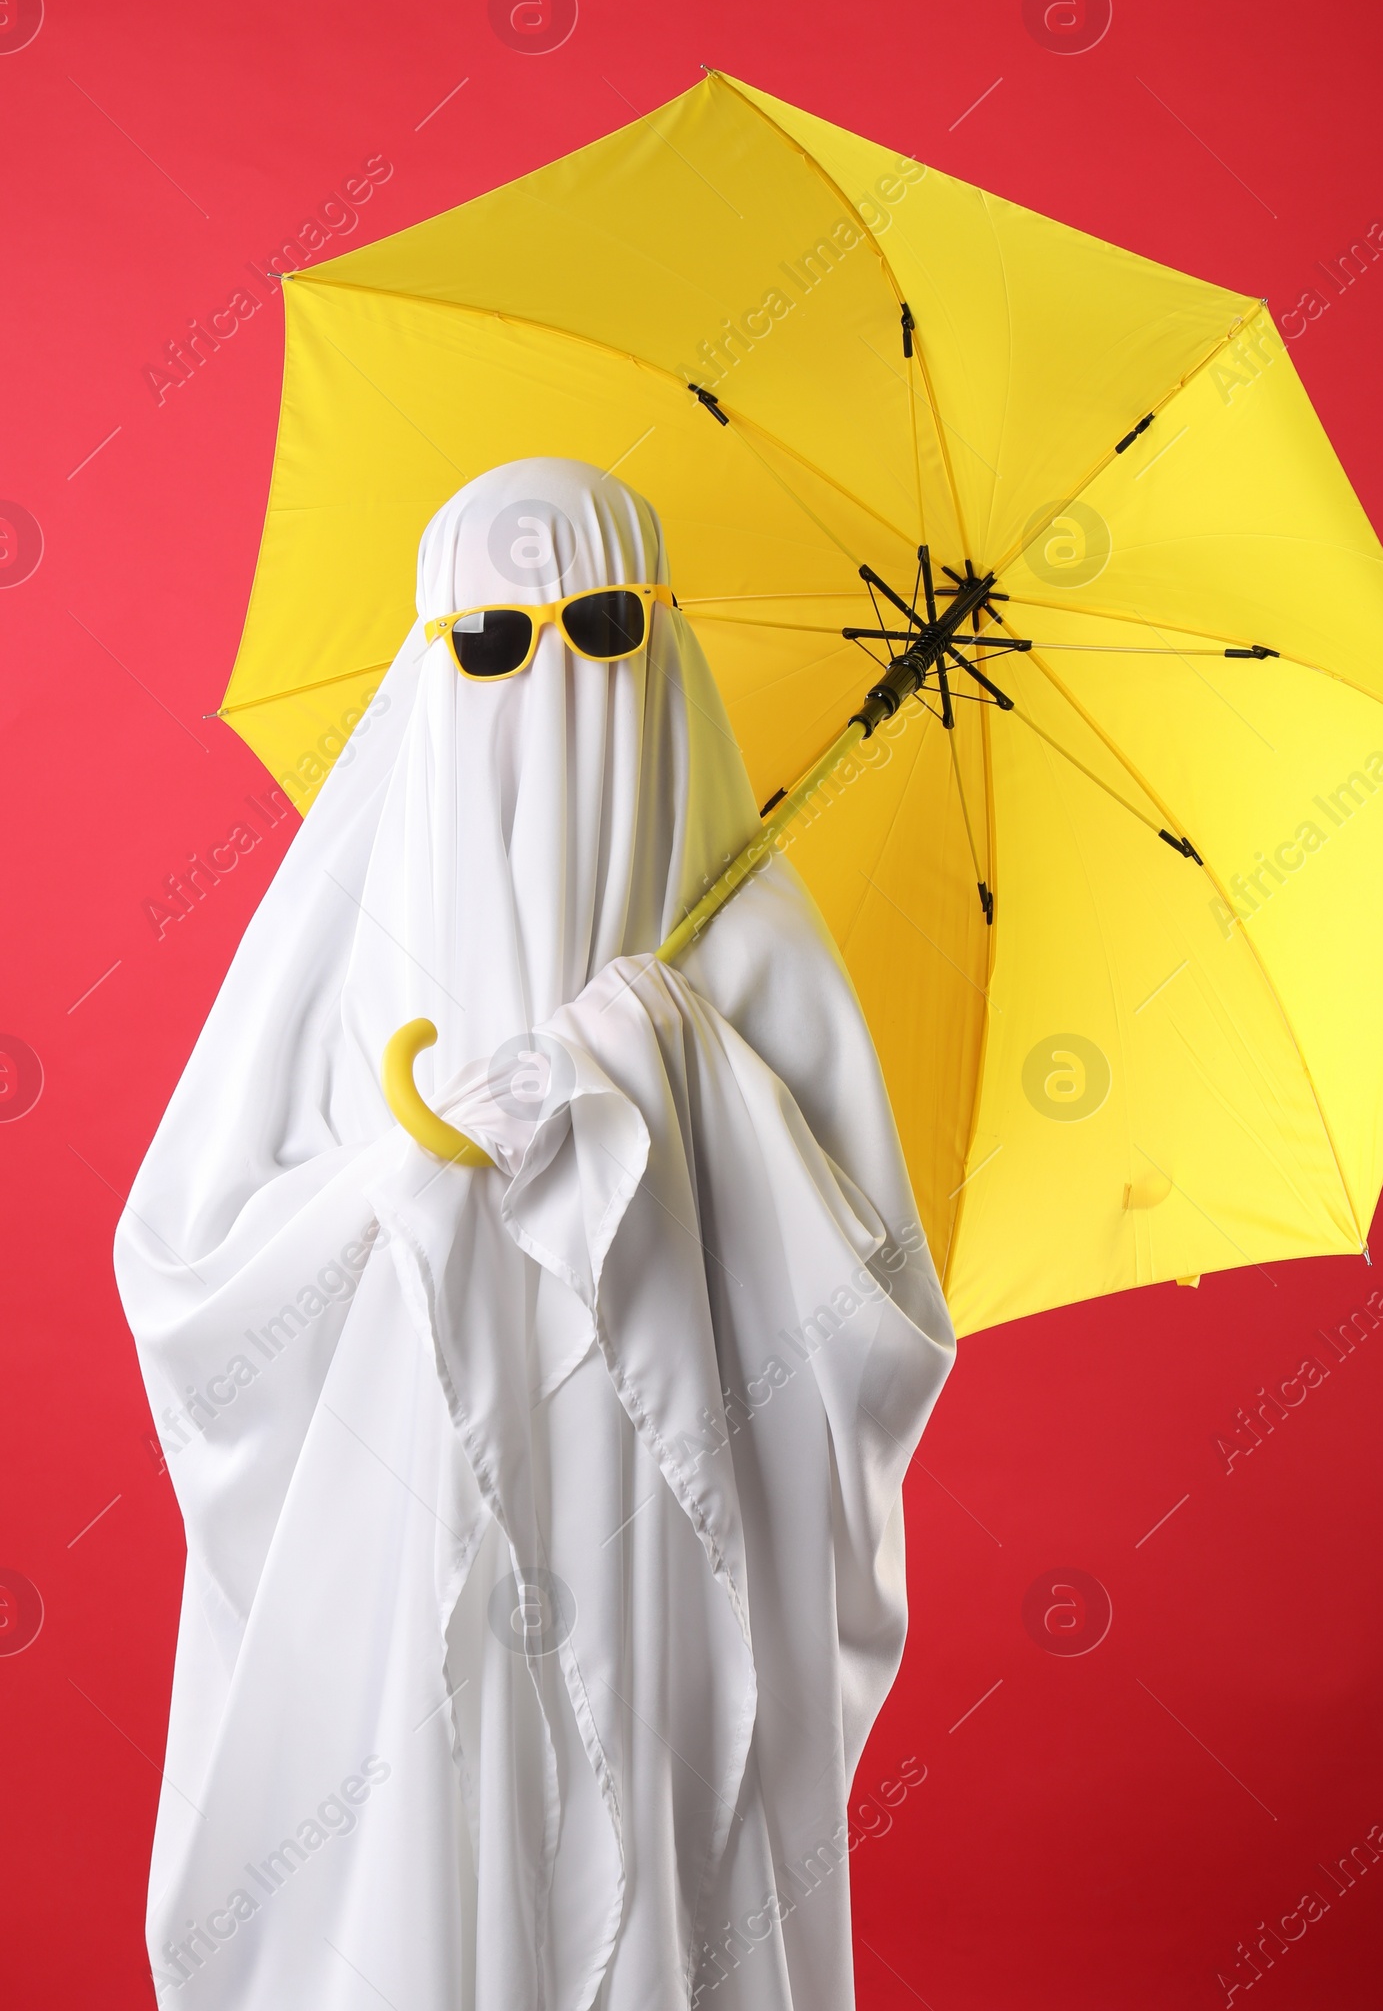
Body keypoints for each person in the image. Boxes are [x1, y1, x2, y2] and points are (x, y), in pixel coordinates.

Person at [116, 459, 955, 2010]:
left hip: (665, 1531)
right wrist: (404, 1175)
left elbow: (880, 1294)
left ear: (665, 634)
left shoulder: (742, 934)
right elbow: (191, 1266)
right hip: (404, 1519)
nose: (556, 681)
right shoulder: (344, 929)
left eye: (608, 626)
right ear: (437, 653)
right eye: (496, 645)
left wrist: (657, 1068)